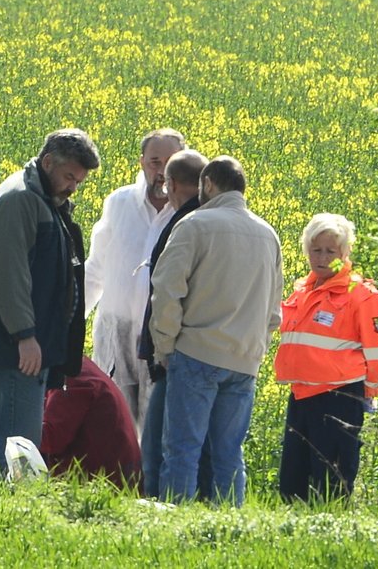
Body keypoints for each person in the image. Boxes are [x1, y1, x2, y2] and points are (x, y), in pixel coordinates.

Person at [0, 128, 101, 477]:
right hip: (15, 346)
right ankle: (7, 513)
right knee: (19, 441)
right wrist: (24, 334)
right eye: (68, 177)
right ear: (47, 162)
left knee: (6, 436)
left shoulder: (43, 198)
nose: (73, 186)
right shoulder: (20, 199)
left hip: (28, 343)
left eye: (78, 180)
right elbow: (8, 273)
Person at [149, 156, 283, 505]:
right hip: (244, 360)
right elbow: (273, 310)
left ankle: (177, 523)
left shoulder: (195, 225)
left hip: (196, 352)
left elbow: (166, 290)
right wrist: (255, 350)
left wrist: (164, 346)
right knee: (229, 455)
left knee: (182, 450)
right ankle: (227, 528)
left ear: (208, 184)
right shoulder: (268, 235)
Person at [274, 213, 378, 502]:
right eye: (315, 250)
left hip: (339, 398)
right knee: (292, 487)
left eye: (330, 251)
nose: (321, 258)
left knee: (330, 488)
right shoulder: (302, 292)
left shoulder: (362, 295)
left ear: (345, 253)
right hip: (301, 396)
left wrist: (364, 392)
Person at [84, 128, 185, 435]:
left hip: (163, 339)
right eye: (155, 161)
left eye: (170, 162)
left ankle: (150, 484)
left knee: (157, 426)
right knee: (113, 422)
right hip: (116, 331)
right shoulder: (119, 202)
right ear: (141, 162)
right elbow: (96, 268)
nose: (162, 171)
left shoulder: (191, 213)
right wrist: (68, 321)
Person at [136, 148, 209, 498]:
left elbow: (165, 294)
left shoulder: (185, 224)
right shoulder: (209, 222)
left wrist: (159, 349)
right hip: (220, 354)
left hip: (178, 355)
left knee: (160, 449)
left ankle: (160, 512)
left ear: (172, 183)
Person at [40, 356, 142, 489]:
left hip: (107, 485)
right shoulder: (77, 366)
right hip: (111, 476)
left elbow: (50, 438)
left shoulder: (72, 379)